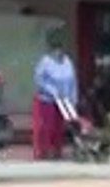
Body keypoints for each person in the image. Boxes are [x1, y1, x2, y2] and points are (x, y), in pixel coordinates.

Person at [32, 28, 77, 160]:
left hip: (65, 100)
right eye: (56, 48)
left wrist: (73, 98)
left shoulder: (67, 61)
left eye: (61, 48)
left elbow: (73, 81)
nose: (59, 51)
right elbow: (39, 80)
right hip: (48, 99)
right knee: (48, 126)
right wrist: (52, 91)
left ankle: (58, 151)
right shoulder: (45, 61)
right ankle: (45, 151)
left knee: (60, 126)